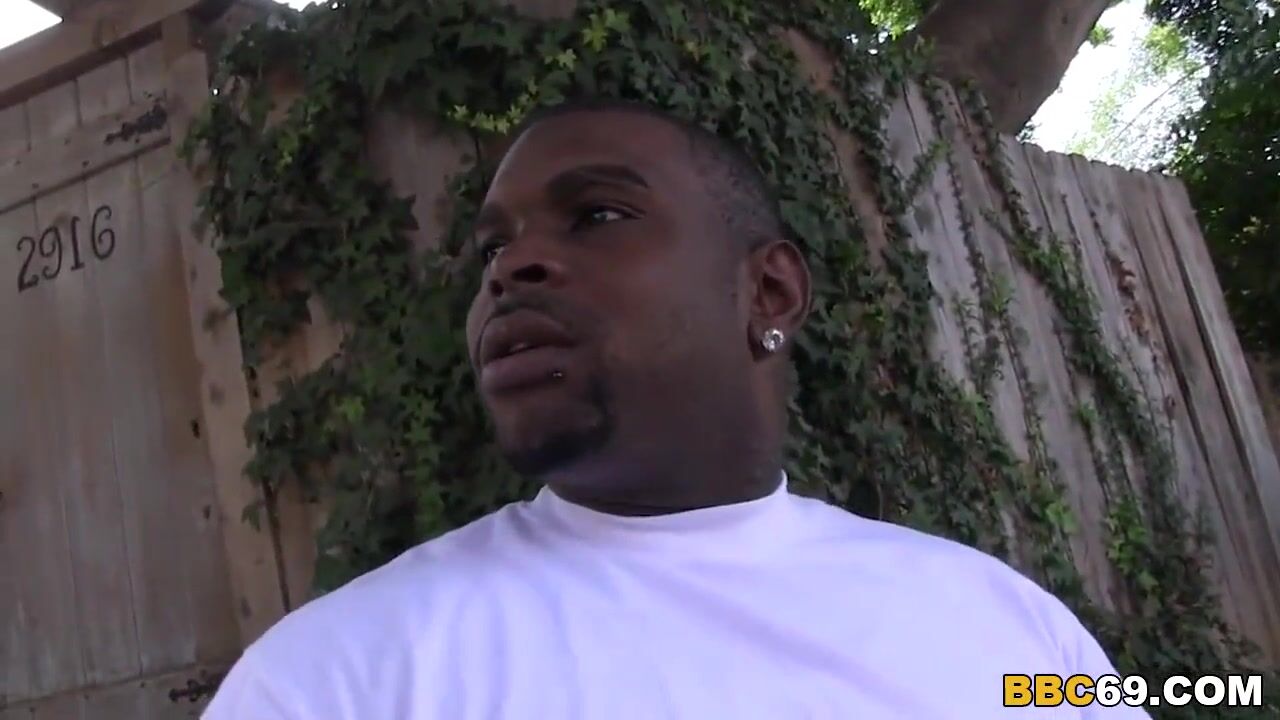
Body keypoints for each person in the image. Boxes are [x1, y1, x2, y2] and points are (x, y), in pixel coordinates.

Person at [202, 99, 1149, 719]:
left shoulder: (1008, 627)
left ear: (770, 292)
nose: (511, 267)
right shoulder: (335, 679)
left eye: (598, 216)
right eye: (491, 248)